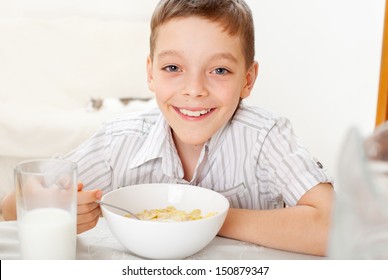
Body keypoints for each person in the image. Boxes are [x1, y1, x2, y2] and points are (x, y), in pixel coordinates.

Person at [1, 0, 334, 256]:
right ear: (150, 73)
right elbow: (10, 208)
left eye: (219, 70)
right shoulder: (118, 142)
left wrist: (203, 218)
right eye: (173, 67)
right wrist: (56, 212)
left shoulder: (266, 137)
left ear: (247, 80)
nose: (194, 89)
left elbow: (337, 228)